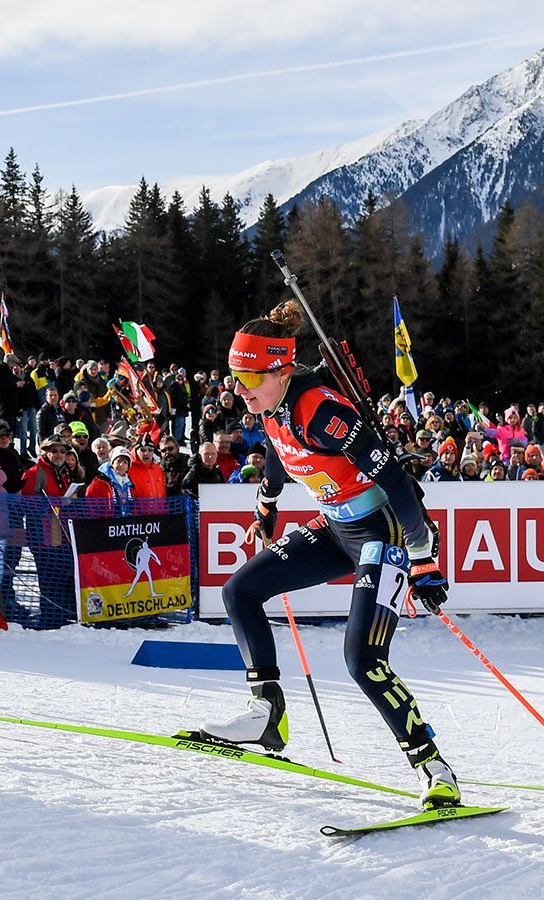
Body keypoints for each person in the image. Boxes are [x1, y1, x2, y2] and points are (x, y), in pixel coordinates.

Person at [196, 300, 459, 810]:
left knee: (361, 658)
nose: (239, 390)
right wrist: (267, 504)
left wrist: (424, 557)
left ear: (282, 369)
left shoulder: (321, 410)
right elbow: (278, 451)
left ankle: (434, 768)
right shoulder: (269, 406)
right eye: (235, 378)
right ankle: (266, 713)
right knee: (240, 591)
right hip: (337, 528)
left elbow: (397, 482)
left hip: (381, 533)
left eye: (248, 379)